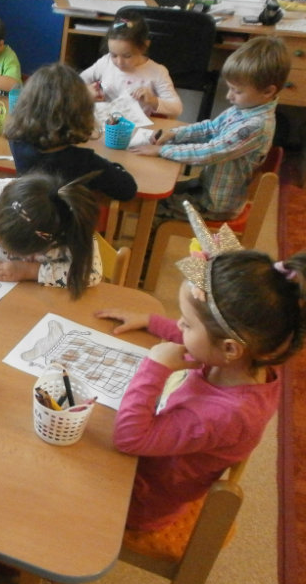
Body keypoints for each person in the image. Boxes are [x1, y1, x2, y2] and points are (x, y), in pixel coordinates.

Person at [95, 203, 306, 532]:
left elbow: (129, 439)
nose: (180, 325)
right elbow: (204, 341)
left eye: (188, 323)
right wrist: (151, 321)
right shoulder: (247, 359)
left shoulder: (227, 414)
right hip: (147, 465)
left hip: (139, 499)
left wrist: (154, 367)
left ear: (230, 348)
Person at [133, 36, 290, 222]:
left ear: (268, 91)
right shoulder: (244, 109)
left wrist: (162, 151)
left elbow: (210, 152)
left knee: (149, 205)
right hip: (206, 187)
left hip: (215, 204)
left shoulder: (255, 126)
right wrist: (174, 134)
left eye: (237, 91)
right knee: (154, 188)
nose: (229, 96)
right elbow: (210, 128)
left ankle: (150, 239)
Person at [0, 170, 103, 299]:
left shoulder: (67, 227)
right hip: (1, 288)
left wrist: (30, 271)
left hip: (47, 296)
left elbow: (91, 274)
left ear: (42, 247)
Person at [4, 63, 137, 202]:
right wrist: (115, 167)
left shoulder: (17, 144)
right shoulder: (85, 162)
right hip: (66, 217)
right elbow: (127, 189)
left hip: (27, 212)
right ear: (81, 114)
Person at [80, 11, 182, 118]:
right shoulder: (106, 62)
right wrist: (86, 90)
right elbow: (76, 82)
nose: (119, 62)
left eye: (127, 56)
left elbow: (177, 108)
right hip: (107, 121)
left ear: (144, 46)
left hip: (138, 124)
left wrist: (153, 100)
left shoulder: (157, 72)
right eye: (114, 55)